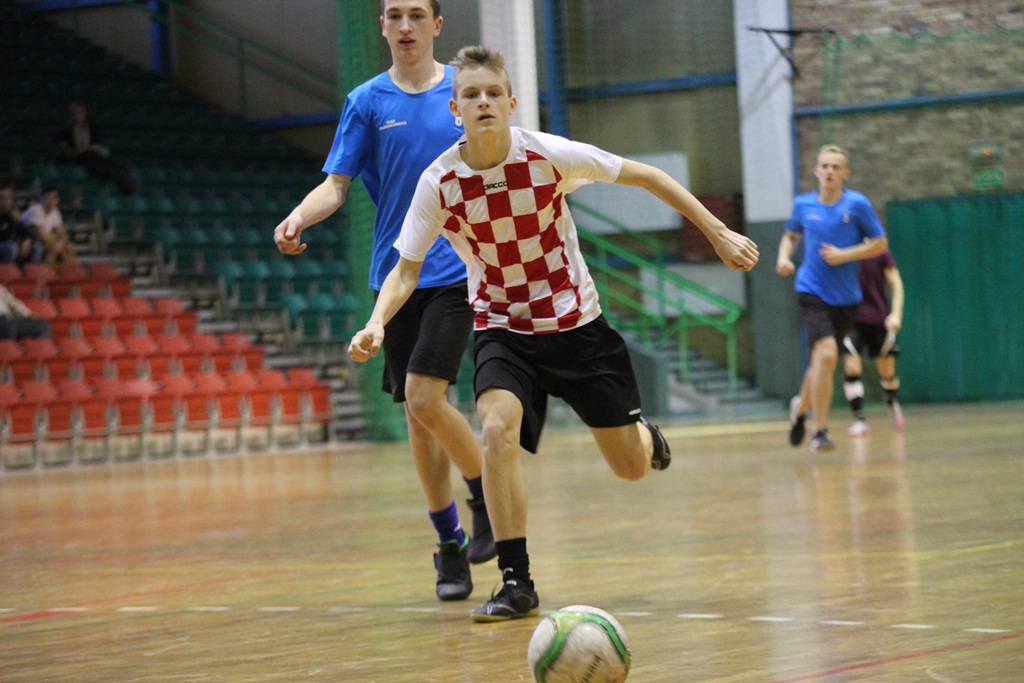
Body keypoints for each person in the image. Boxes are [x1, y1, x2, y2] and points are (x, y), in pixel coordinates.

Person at [348, 45, 760, 622]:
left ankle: (646, 438)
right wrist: (375, 323)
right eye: (471, 95)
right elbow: (406, 270)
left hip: (575, 326)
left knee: (631, 467)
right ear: (454, 109)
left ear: (512, 103)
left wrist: (717, 233)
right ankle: (517, 582)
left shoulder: (547, 155)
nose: (483, 102)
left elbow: (647, 176)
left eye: (493, 92)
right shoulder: (439, 182)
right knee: (495, 429)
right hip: (501, 327)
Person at [273, 0, 495, 603]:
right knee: (417, 418)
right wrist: (298, 215)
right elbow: (336, 185)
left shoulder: (465, 91)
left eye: (416, 15)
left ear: (437, 25)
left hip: (457, 272)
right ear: (381, 26)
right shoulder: (367, 101)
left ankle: (484, 498)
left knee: (427, 395)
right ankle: (449, 546)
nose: (405, 26)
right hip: (395, 277)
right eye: (394, 15)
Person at [776, 144, 888, 452]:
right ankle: (820, 430)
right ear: (816, 171)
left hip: (847, 297)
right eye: (824, 166)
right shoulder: (803, 205)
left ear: (845, 174)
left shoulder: (857, 205)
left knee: (821, 363)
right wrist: (784, 257)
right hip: (811, 289)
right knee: (826, 355)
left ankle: (799, 410)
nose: (829, 171)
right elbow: (790, 234)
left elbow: (879, 243)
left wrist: (845, 254)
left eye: (835, 167)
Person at [842, 249, 905, 436]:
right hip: (851, 319)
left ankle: (891, 400)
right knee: (852, 366)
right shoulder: (843, 247)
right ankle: (859, 419)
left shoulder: (881, 251)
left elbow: (896, 283)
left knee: (887, 371)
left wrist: (896, 315)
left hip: (879, 319)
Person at [54, 103, 139, 195]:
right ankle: (122, 174)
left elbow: (97, 142)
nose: (79, 115)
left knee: (105, 160)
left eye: (81, 112)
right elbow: (58, 140)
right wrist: (70, 150)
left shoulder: (91, 127)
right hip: (81, 157)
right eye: (76, 113)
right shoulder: (68, 129)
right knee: (97, 163)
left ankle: (123, 177)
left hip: (93, 154)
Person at [21, 187, 75, 267]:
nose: (51, 200)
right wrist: (56, 245)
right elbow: (40, 236)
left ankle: (69, 274)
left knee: (70, 247)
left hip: (43, 239)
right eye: (48, 198)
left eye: (54, 197)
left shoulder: (55, 211)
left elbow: (62, 233)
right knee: (52, 249)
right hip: (28, 239)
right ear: (42, 199)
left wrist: (61, 243)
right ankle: (47, 276)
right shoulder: (35, 210)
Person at [0, 185, 35, 264]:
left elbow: (29, 233)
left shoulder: (13, 215)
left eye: (8, 198)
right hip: (6, 245)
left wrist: (27, 240)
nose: (5, 201)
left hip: (12, 244)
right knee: (11, 247)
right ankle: (8, 274)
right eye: (2, 198)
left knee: (36, 247)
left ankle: (31, 274)